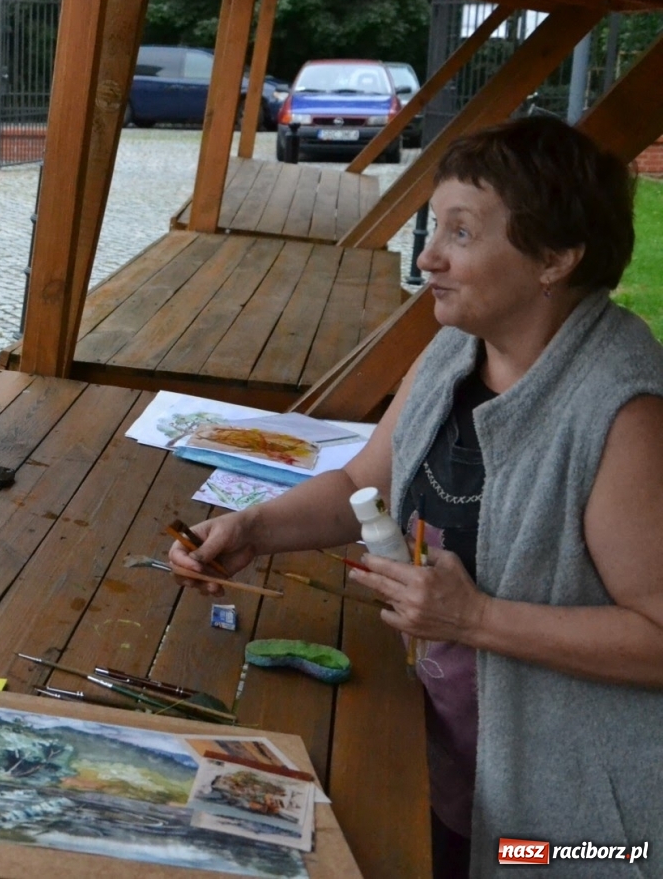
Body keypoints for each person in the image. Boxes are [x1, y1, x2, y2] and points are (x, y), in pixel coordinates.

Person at [169, 117, 663, 878]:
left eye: (461, 234)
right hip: (449, 751)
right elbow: (363, 484)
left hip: (574, 815)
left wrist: (475, 620)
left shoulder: (623, 410)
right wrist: (253, 528)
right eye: (436, 228)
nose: (428, 256)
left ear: (556, 258)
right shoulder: (458, 345)